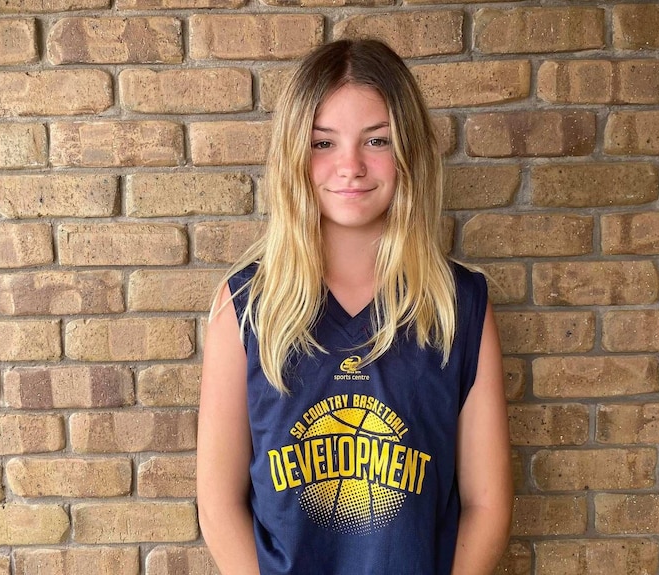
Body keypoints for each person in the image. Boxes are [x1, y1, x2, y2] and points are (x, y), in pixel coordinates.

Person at [196, 39, 512, 575]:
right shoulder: (246, 306)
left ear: (408, 150)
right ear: (295, 153)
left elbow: (488, 507)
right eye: (324, 143)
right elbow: (219, 505)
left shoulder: (458, 307)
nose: (351, 166)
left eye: (377, 140)